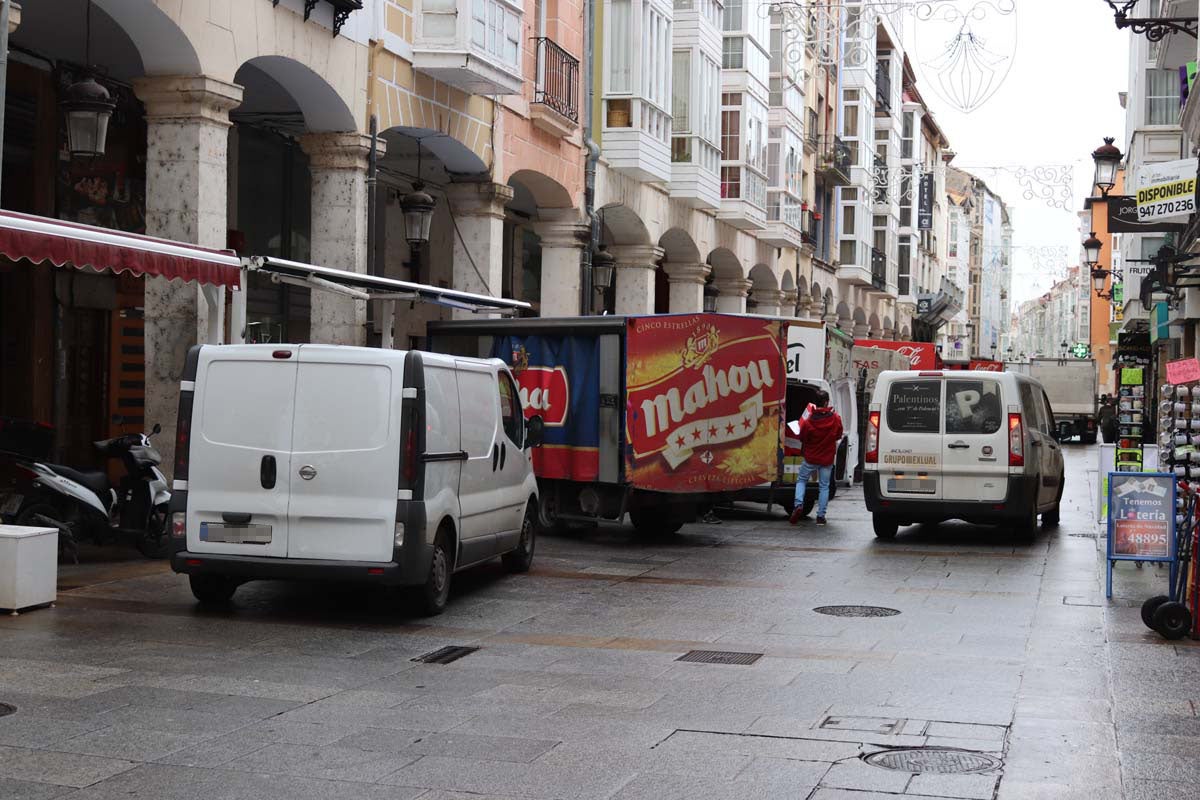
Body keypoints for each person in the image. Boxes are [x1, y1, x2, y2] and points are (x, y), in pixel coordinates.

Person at [789, 391, 844, 526]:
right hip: (827, 458)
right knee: (824, 486)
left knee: (802, 480)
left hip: (810, 458)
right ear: (826, 402)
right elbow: (838, 435)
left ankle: (798, 505)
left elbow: (802, 438)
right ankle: (820, 516)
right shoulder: (836, 418)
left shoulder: (808, 422)